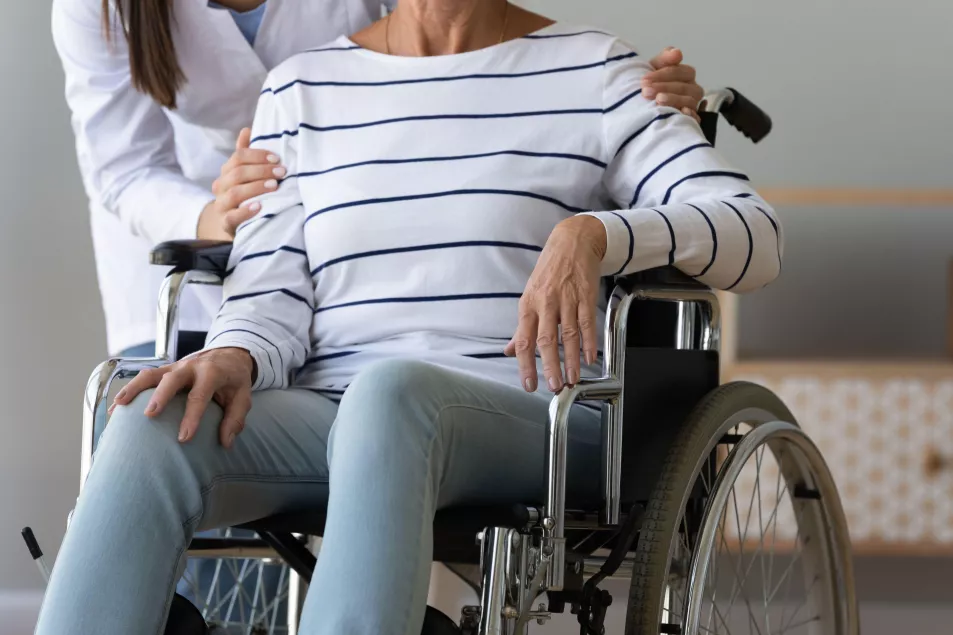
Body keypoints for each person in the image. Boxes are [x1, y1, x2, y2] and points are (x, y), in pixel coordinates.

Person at [37, 1, 782, 634]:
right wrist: (234, 353)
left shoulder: (598, 74)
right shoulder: (302, 88)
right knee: (154, 413)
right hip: (342, 409)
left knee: (391, 395)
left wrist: (596, 233)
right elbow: (270, 287)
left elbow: (752, 235)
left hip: (535, 412)